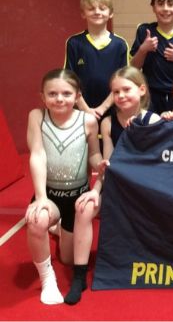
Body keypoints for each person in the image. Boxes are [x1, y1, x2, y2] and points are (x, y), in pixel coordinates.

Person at [64, 66, 160, 305]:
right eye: (116, 92)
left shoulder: (153, 120)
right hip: (117, 186)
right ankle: (79, 275)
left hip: (144, 190)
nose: (121, 96)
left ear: (141, 90)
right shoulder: (107, 123)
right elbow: (109, 163)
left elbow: (158, 164)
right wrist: (95, 191)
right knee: (84, 207)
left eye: (126, 89)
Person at [24, 69, 105, 305]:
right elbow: (37, 155)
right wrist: (41, 197)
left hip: (76, 196)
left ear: (77, 96)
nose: (59, 99)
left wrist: (99, 164)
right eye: (52, 94)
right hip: (50, 195)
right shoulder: (37, 117)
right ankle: (47, 279)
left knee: (68, 259)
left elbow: (94, 154)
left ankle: (60, 229)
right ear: (42, 96)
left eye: (66, 94)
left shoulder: (88, 121)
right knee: (37, 220)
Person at [64, 0, 129, 119]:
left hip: (112, 111)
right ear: (83, 13)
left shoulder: (120, 44)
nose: (97, 12)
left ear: (111, 13)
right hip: (81, 112)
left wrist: (103, 108)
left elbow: (123, 80)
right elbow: (69, 80)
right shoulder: (74, 43)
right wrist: (85, 109)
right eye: (91, 8)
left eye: (102, 8)